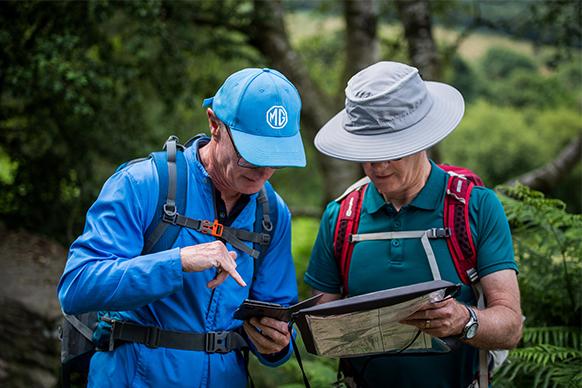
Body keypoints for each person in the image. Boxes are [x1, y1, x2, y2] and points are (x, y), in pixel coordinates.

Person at [58, 68, 307, 388]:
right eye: (251, 154)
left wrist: (276, 343)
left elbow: (277, 314)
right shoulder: (143, 184)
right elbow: (77, 287)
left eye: (276, 156)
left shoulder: (272, 212)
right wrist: (177, 261)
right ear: (214, 124)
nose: (262, 171)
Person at [303, 61, 523, 388]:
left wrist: (463, 320)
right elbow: (323, 326)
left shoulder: (474, 207)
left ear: (422, 138)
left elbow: (510, 327)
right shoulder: (341, 217)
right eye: (367, 148)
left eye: (391, 148)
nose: (378, 164)